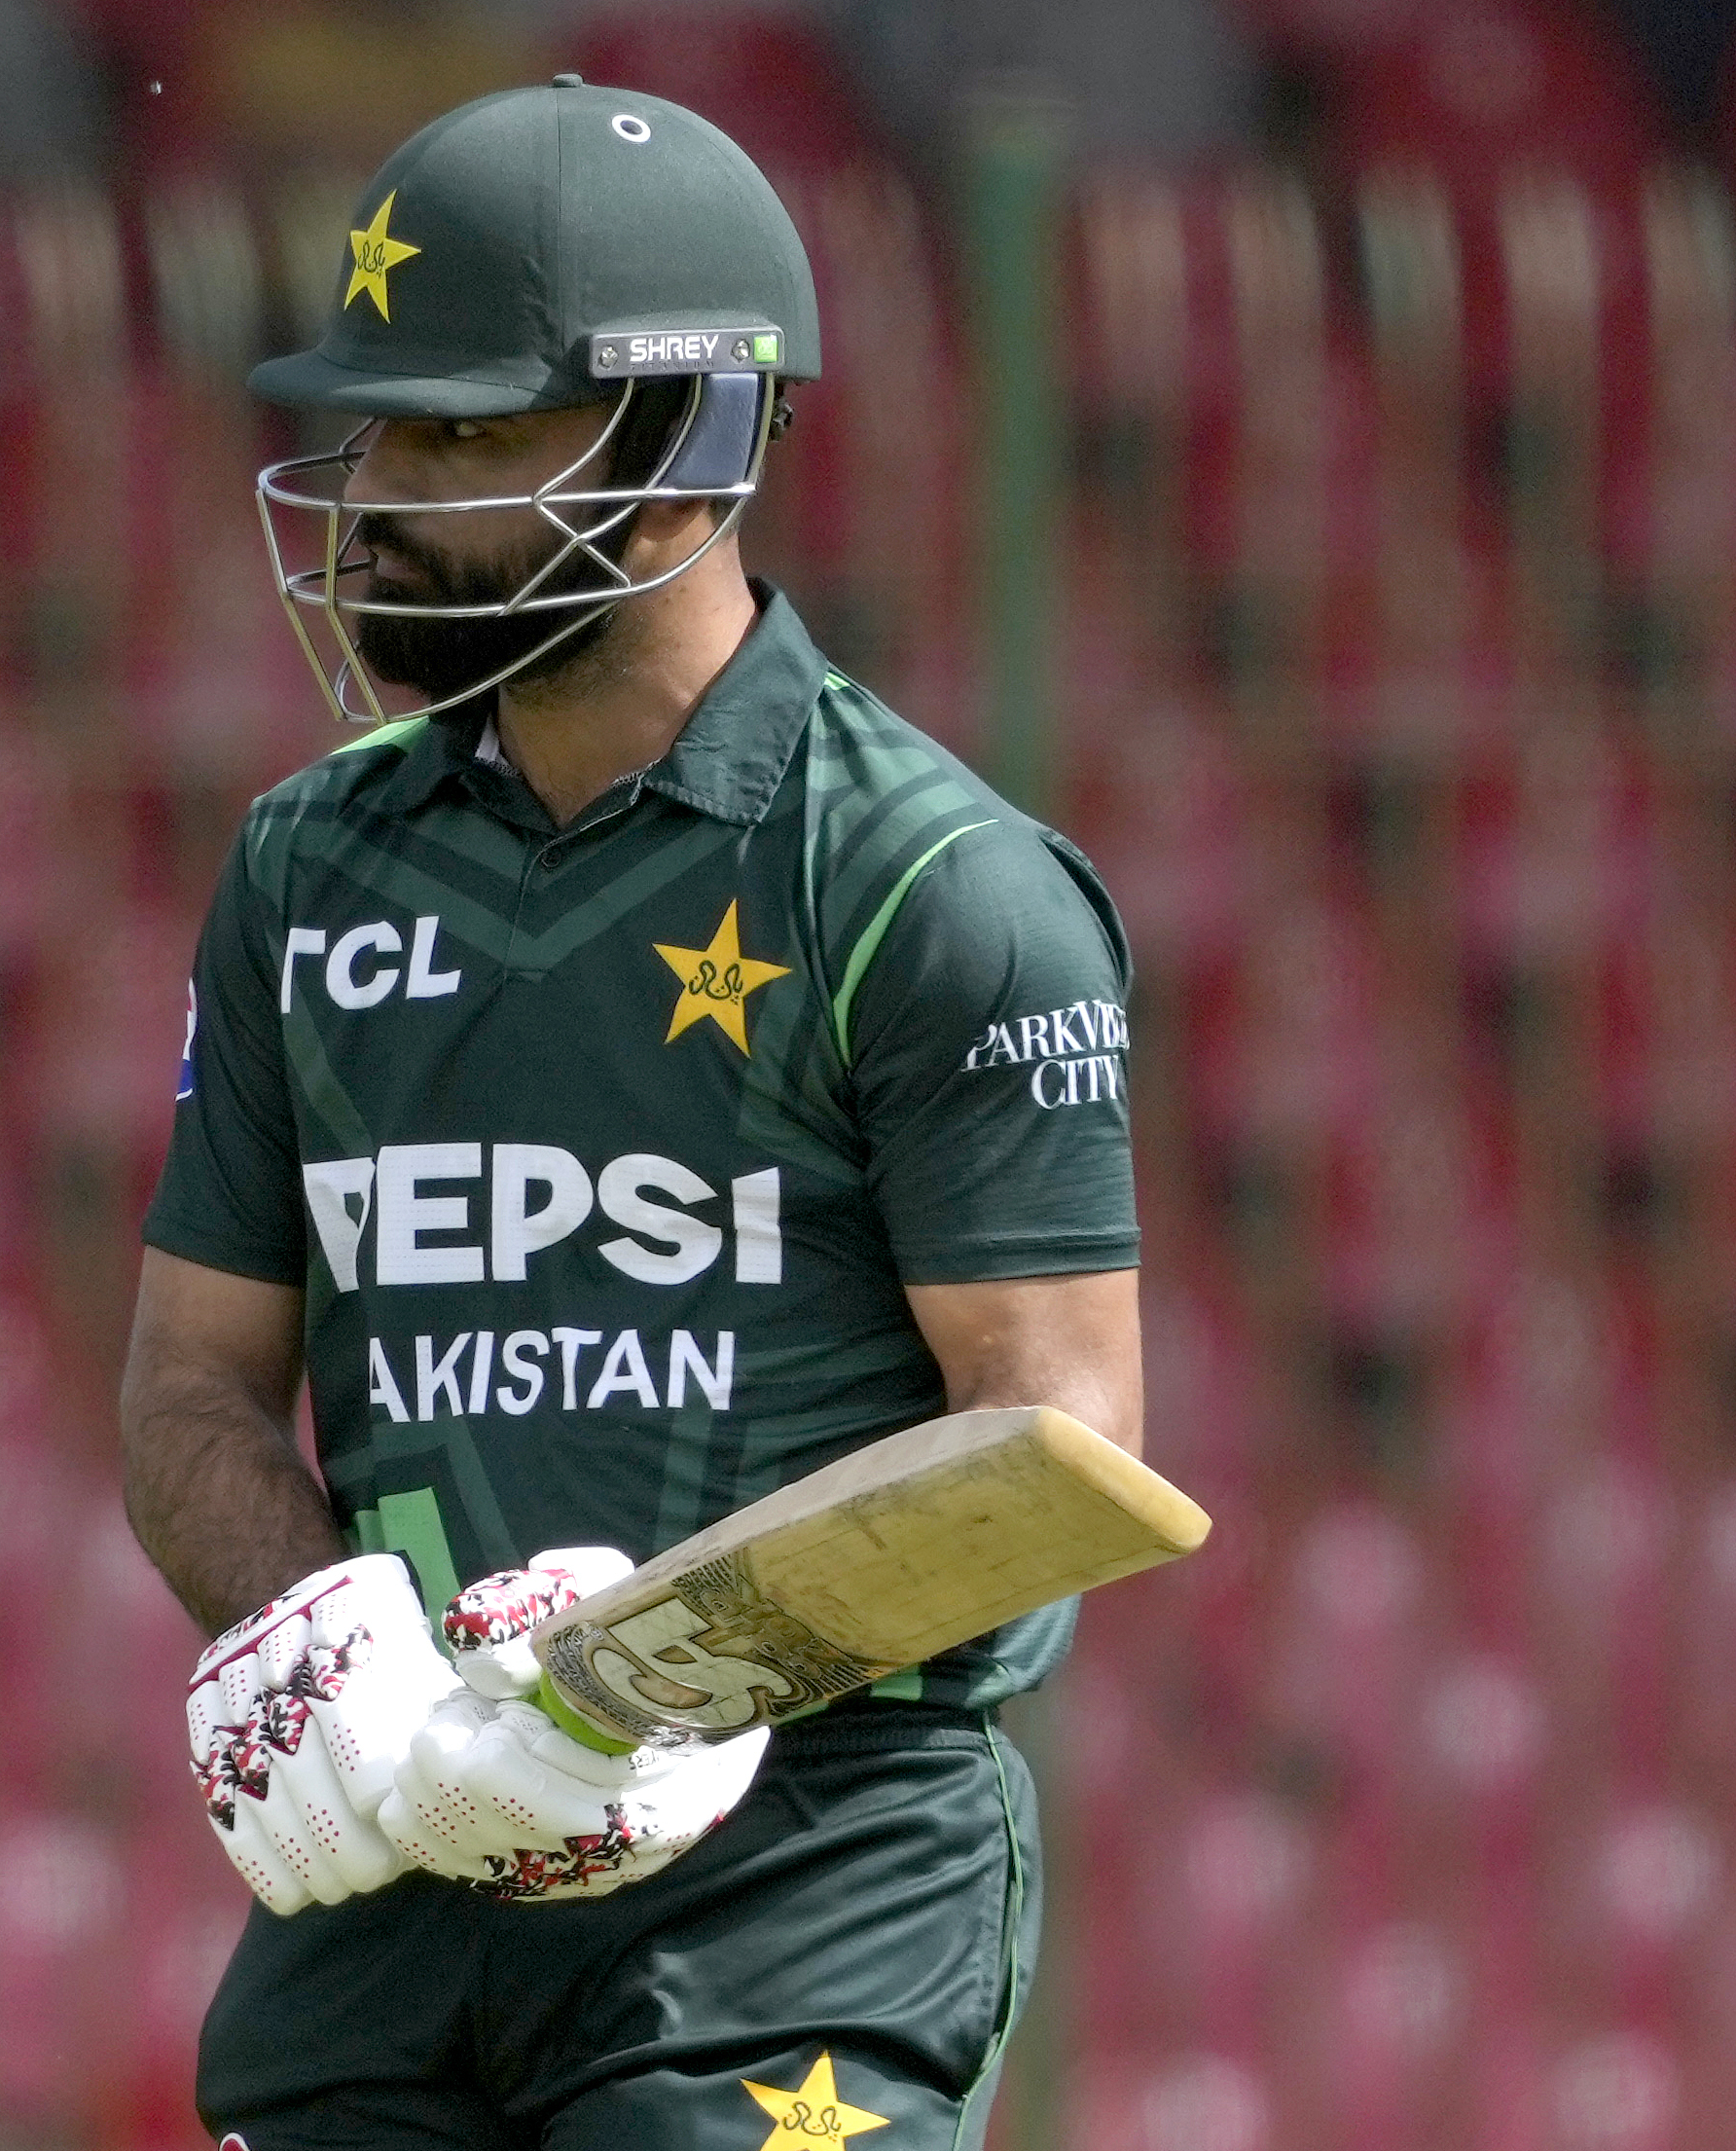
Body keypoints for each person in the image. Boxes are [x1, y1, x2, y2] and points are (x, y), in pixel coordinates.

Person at [123, 76, 1143, 2151]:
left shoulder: (933, 889)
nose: (376, 491)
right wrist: (348, 1665)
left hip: (800, 1888)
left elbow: (1054, 1442)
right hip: (402, 1876)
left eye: (462, 433)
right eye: (377, 422)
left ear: (686, 445)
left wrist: (634, 1696)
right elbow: (188, 1386)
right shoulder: (307, 870)